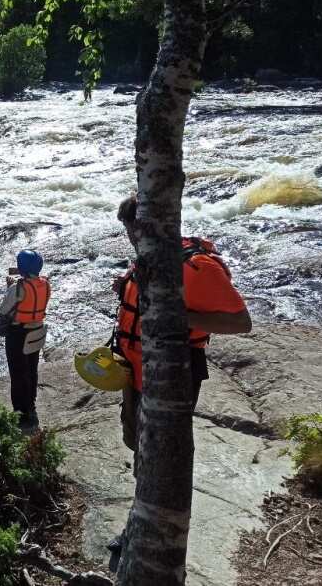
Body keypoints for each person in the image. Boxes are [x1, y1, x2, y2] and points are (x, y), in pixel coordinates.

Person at [106, 194, 251, 564]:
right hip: (137, 375)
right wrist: (125, 289)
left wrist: (179, 316)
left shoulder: (196, 267)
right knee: (141, 453)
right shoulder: (148, 259)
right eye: (129, 232)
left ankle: (153, 536)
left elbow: (240, 322)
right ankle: (139, 523)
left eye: (137, 231)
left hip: (172, 379)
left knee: (162, 460)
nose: (133, 239)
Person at [0, 250, 51, 429]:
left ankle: (21, 414)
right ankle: (31, 406)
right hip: (37, 332)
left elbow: (3, 311)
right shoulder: (46, 285)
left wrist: (9, 288)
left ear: (21, 268)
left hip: (18, 335)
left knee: (18, 374)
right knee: (31, 370)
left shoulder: (16, 289)